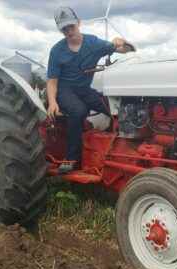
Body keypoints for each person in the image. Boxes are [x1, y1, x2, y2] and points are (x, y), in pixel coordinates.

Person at [47, 7, 132, 174]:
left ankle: (115, 149)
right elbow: (52, 82)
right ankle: (72, 159)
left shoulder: (93, 43)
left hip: (84, 89)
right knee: (79, 110)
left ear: (78, 23)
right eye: (64, 29)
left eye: (71, 26)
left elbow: (127, 49)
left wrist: (121, 42)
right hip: (64, 90)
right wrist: (52, 102)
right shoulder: (57, 51)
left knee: (109, 108)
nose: (68, 31)